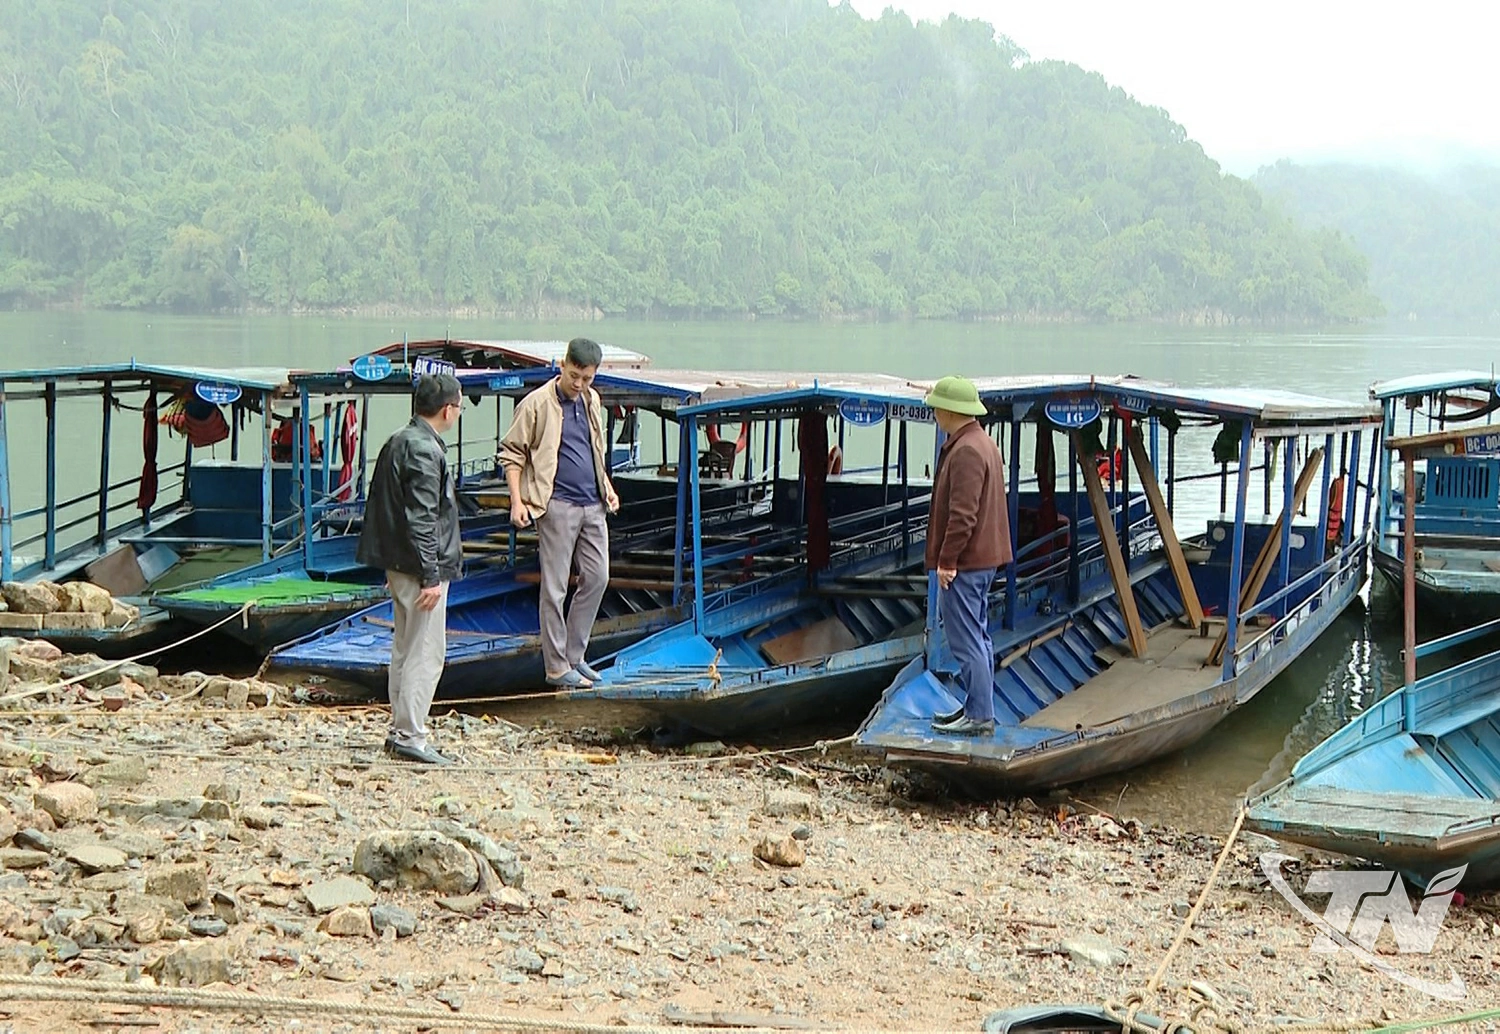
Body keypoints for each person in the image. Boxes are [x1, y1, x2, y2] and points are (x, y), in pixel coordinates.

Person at [498, 338, 620, 688]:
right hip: (556, 506)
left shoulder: (592, 400)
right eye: (574, 376)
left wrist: (607, 486)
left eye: (587, 378)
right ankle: (556, 667)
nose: (579, 384)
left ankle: (575, 656)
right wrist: (518, 501)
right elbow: (512, 454)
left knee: (598, 577)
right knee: (554, 589)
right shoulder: (536, 404)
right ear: (561, 365)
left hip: (593, 504)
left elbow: (595, 449)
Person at [355, 373, 464, 765]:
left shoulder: (399, 439)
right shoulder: (424, 450)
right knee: (427, 649)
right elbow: (423, 518)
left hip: (398, 562)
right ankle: (411, 734)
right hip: (419, 566)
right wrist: (432, 575)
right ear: (449, 409)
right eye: (459, 407)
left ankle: (400, 728)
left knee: (404, 644)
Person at [924, 375, 1012, 736]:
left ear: (948, 410)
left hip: (967, 563)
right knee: (977, 636)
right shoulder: (980, 443)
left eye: (936, 408)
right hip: (980, 561)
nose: (934, 413)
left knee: (966, 639)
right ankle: (976, 708)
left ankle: (979, 716)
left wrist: (947, 561)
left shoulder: (966, 451)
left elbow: (963, 515)